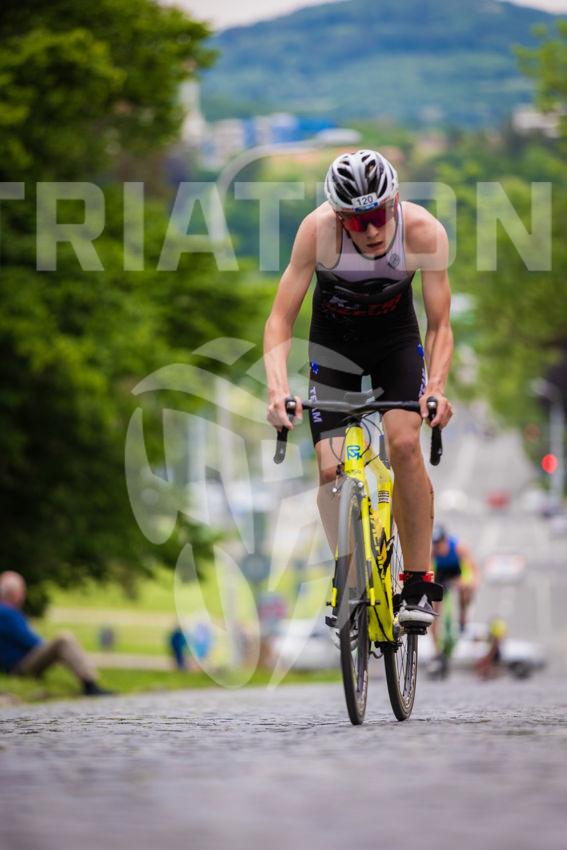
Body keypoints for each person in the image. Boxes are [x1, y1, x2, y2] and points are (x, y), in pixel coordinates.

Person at [265, 149, 453, 630]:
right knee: (330, 469)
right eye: (355, 220)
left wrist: (436, 388)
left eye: (377, 216)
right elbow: (280, 321)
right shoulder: (317, 232)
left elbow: (439, 325)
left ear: (395, 202)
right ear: (337, 216)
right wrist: (277, 390)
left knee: (404, 443)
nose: (370, 230)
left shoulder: (423, 232)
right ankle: (348, 580)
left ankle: (417, 581)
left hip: (395, 344)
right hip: (334, 347)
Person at [0, 571, 113, 696]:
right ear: (14, 593)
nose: (23, 595)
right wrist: (54, 651)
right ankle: (90, 684)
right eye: (22, 591)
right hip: (19, 668)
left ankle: (89, 683)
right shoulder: (6, 613)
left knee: (63, 643)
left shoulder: (7, 612)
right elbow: (30, 641)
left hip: (17, 665)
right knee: (64, 640)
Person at [431, 524, 480, 633]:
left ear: (445, 541)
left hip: (456, 572)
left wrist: (471, 582)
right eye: (435, 544)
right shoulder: (433, 552)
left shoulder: (459, 548)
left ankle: (463, 619)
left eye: (440, 544)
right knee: (435, 607)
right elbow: (429, 570)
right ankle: (436, 638)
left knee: (466, 590)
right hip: (441, 574)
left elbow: (472, 569)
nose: (438, 547)